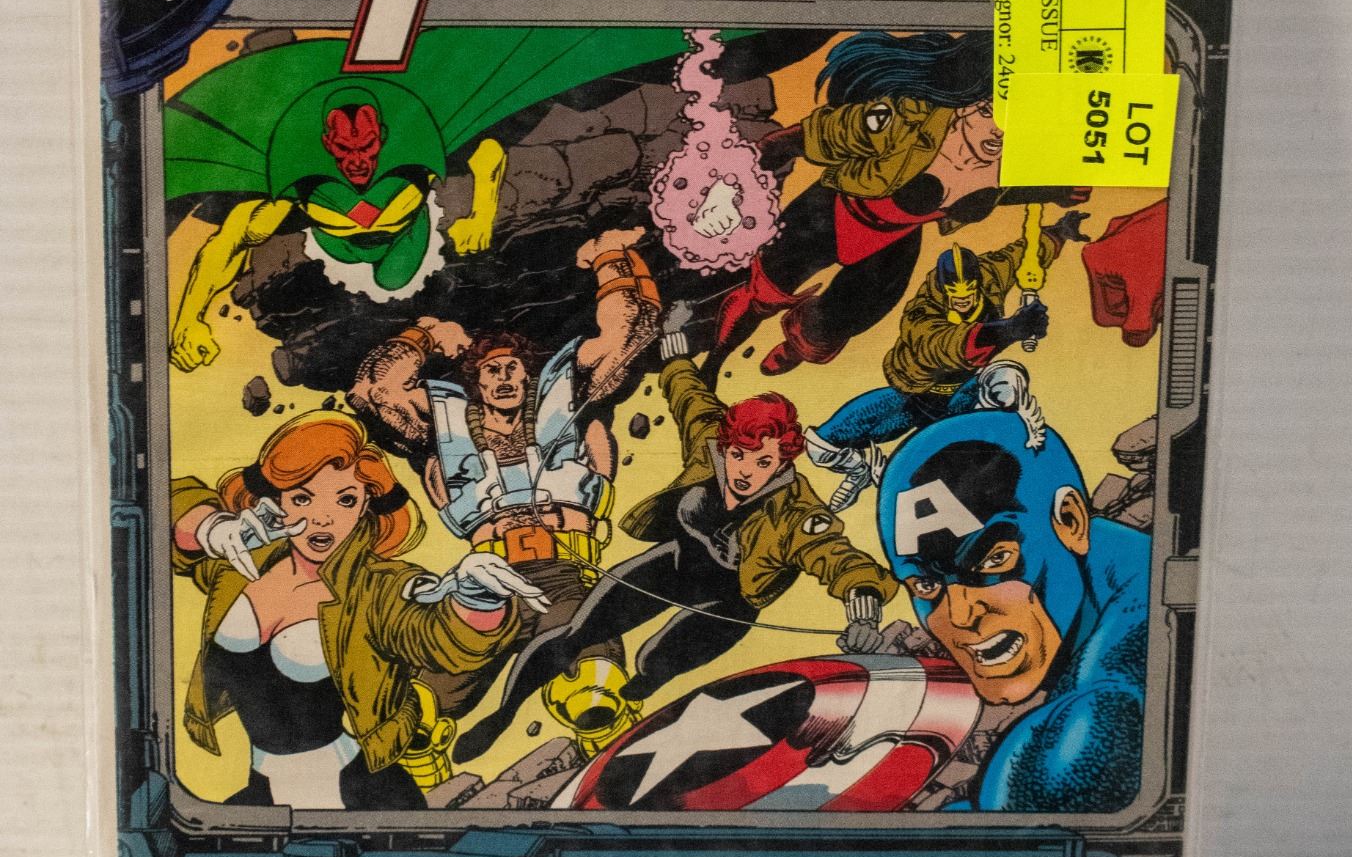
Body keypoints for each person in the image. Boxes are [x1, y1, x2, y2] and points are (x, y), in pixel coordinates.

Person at [495, 305, 899, 723]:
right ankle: (504, 713)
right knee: (578, 633)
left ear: (783, 461)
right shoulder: (711, 444)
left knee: (655, 662)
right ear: (727, 447)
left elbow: (837, 558)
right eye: (739, 456)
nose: (746, 472)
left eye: (764, 463)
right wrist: (675, 350)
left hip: (731, 604)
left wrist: (863, 611)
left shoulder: (796, 511)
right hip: (677, 565)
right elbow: (690, 396)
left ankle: (640, 690)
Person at [348, 227, 660, 760]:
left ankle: (612, 760)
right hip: (485, 585)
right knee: (416, 712)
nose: (504, 378)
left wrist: (607, 254)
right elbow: (374, 390)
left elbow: (632, 330)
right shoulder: (446, 423)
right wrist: (426, 334)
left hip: (566, 576)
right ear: (477, 380)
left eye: (513, 368)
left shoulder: (564, 400)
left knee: (596, 686)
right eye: (491, 371)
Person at [171, 411, 540, 810]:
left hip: (360, 795)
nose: (322, 518)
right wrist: (210, 527)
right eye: (302, 497)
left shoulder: (377, 586)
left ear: (367, 504)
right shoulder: (242, 564)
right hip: (265, 791)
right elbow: (168, 501)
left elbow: (445, 638)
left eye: (345, 499)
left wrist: (477, 598)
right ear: (276, 500)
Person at [703, 31, 1087, 376]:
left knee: (841, 321)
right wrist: (748, 171)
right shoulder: (905, 118)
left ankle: (796, 347)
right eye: (988, 113)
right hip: (832, 213)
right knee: (764, 293)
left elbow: (1011, 192)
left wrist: (1056, 192)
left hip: (893, 242)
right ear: (965, 105)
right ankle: (714, 362)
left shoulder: (1002, 164)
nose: (998, 133)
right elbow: (826, 133)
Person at [878, 402, 1149, 811]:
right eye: (926, 584)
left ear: (1071, 522)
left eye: (993, 561)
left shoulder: (1082, 731)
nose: (961, 615)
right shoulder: (1120, 561)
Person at [805, 212, 1089, 508]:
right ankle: (860, 472)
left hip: (961, 399)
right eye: (955, 294)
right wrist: (1009, 329)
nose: (963, 300)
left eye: (969, 292)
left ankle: (1008, 442)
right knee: (819, 446)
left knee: (1006, 377)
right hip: (910, 401)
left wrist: (1059, 232)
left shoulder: (990, 275)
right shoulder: (922, 312)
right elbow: (942, 345)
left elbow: (1021, 254)